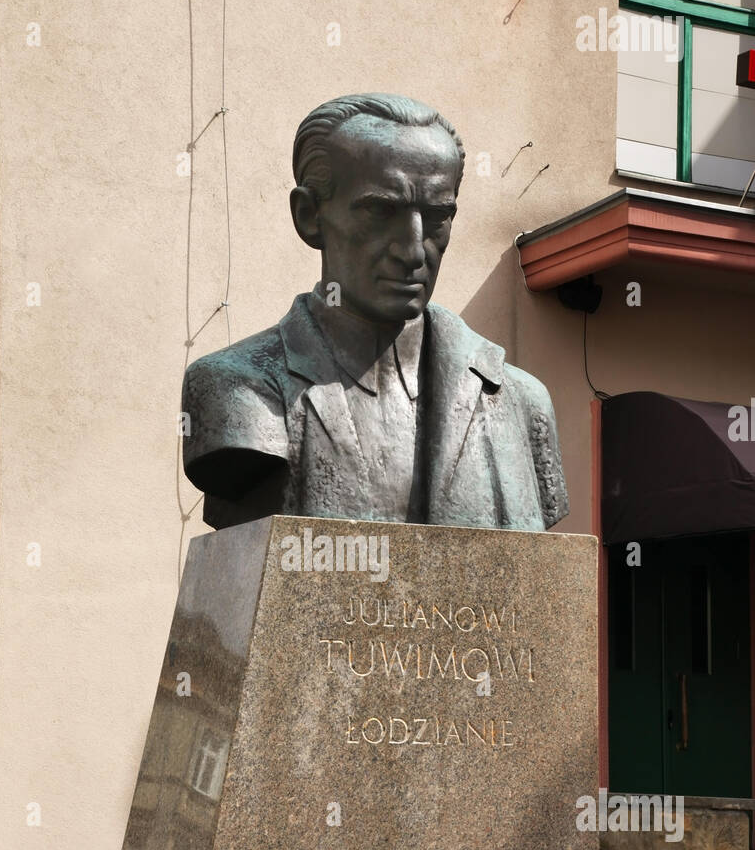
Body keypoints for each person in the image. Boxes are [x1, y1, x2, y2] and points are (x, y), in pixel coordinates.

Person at [182, 93, 568, 532]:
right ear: (309, 216)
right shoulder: (236, 388)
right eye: (381, 211)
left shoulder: (520, 401)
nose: (412, 249)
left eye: (437, 215)